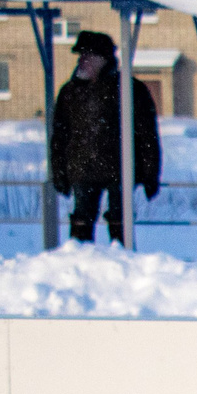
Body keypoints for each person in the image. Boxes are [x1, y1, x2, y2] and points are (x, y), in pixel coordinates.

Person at [49, 29, 161, 247]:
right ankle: (78, 263)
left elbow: (146, 134)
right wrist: (59, 172)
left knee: (120, 222)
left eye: (88, 56)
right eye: (81, 56)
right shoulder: (70, 92)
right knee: (81, 222)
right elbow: (60, 136)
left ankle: (122, 262)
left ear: (104, 59)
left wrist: (150, 173)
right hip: (82, 169)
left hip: (120, 170)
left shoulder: (130, 90)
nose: (82, 61)